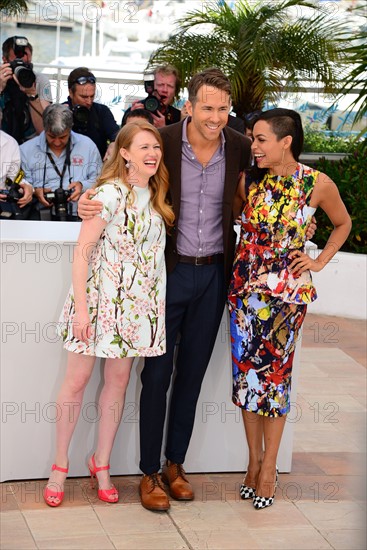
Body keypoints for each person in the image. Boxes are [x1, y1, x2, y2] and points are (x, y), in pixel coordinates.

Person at [78, 67, 253, 511]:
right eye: (208, 107)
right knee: (155, 374)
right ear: (189, 106)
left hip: (214, 274)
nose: (216, 116)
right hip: (168, 276)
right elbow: (126, 176)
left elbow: (254, 192)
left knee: (192, 374)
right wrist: (90, 199)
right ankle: (149, 471)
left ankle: (176, 464)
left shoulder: (240, 145)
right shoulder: (166, 142)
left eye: (223, 107)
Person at [43, 121, 174, 507]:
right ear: (125, 153)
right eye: (144, 146)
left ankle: (101, 463)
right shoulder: (107, 195)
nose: (152, 153)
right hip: (96, 307)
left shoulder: (156, 196)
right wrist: (82, 311)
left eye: (156, 147)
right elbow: (82, 254)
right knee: (77, 382)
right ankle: (60, 465)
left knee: (117, 385)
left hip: (135, 314)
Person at [228, 108, 351, 509]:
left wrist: (318, 260)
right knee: (247, 381)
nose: (254, 145)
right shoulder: (249, 179)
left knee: (274, 382)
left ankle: (269, 469)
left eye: (261, 139)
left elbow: (343, 223)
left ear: (286, 141)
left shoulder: (317, 184)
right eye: (252, 138)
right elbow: (236, 220)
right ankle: (252, 461)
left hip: (285, 300)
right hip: (245, 293)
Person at [20, 104, 102, 221]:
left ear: (70, 128)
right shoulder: (26, 150)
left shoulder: (87, 146)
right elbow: (20, 183)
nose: (57, 142)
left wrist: (82, 186)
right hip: (39, 216)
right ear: (44, 128)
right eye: (51, 137)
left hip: (80, 215)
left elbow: (100, 180)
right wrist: (34, 191)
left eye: (63, 137)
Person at [0, 36, 52, 144]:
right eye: (17, 58)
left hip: (32, 143)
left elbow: (44, 131)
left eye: (25, 56)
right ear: (5, 60)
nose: (22, 61)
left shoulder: (39, 80)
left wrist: (32, 94)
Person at [65, 67, 120, 160]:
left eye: (92, 96)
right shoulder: (61, 112)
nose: (89, 101)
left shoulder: (102, 111)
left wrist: (114, 143)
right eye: (84, 97)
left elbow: (117, 134)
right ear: (71, 92)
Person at [127, 64, 181, 128]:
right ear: (151, 87)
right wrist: (131, 120)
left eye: (170, 86)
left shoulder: (178, 117)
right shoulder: (136, 109)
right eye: (160, 85)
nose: (165, 90)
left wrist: (163, 129)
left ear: (175, 91)